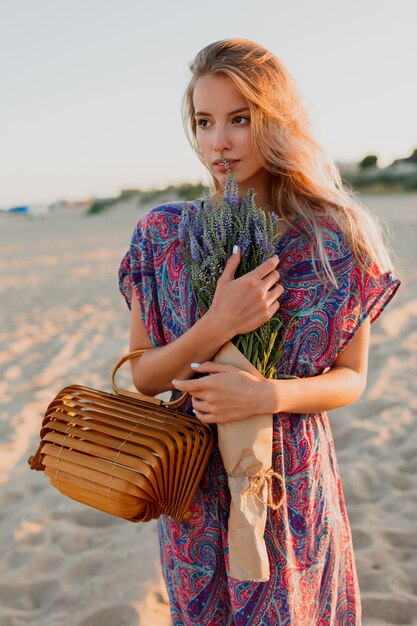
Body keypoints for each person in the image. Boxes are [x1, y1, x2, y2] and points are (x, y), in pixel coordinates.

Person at [118, 39, 401, 626]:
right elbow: (144, 378)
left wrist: (270, 396)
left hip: (290, 485)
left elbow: (350, 379)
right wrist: (218, 324)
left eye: (239, 119)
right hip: (193, 490)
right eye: (204, 121)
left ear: (276, 120)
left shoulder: (334, 240)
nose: (218, 141)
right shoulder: (163, 234)